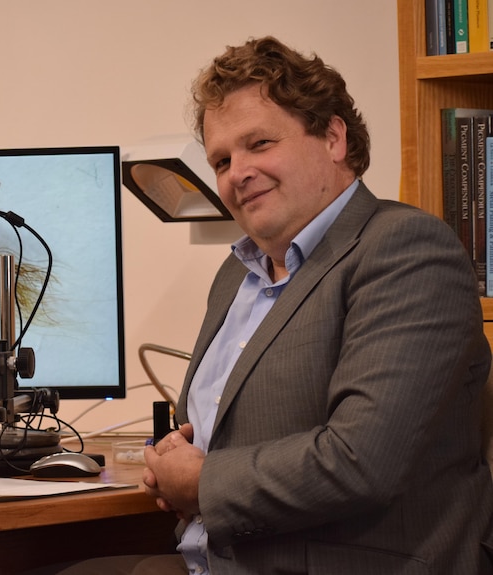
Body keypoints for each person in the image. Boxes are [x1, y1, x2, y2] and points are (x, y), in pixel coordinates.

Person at [36, 36, 493, 575]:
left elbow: (359, 462)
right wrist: (168, 464)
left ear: (332, 137)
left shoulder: (404, 247)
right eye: (222, 159)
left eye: (259, 144)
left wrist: (201, 482)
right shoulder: (238, 273)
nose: (237, 172)